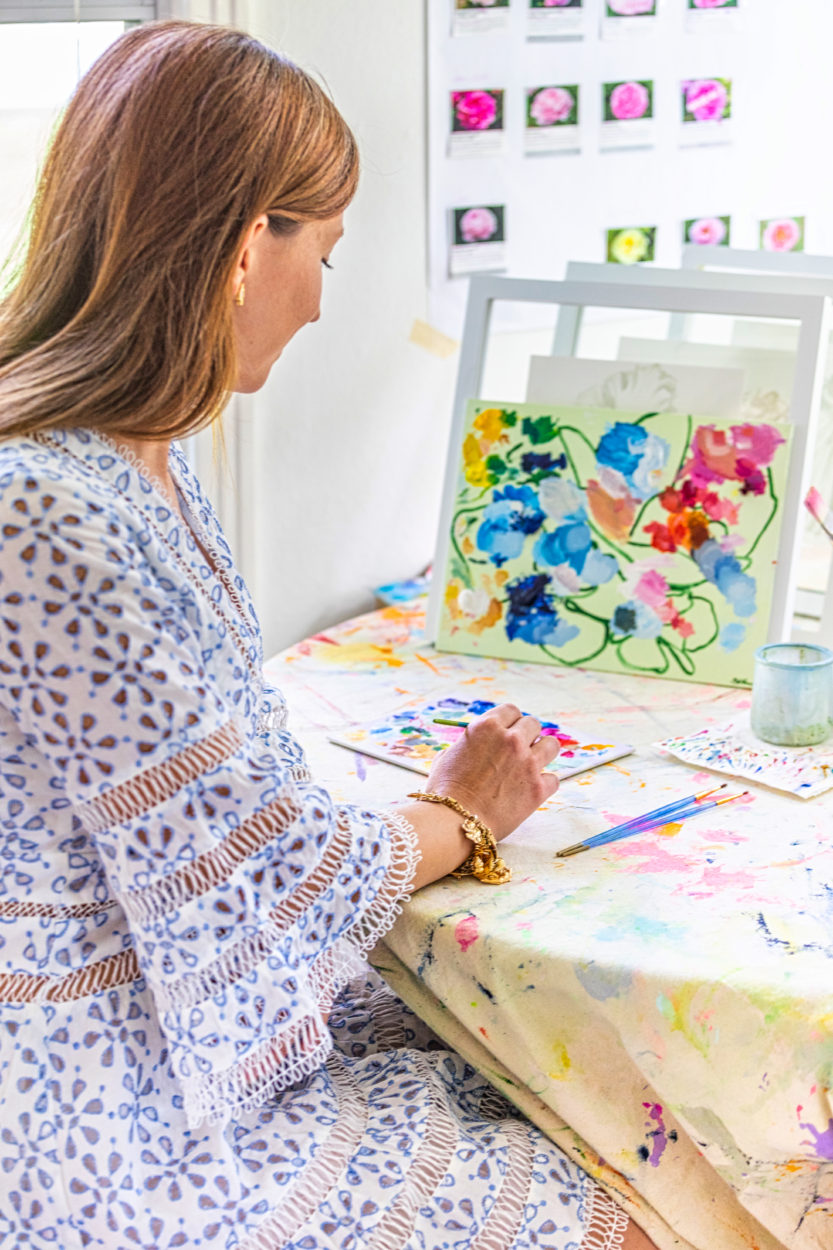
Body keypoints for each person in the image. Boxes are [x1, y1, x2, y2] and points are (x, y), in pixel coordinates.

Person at [0, 21, 657, 1250]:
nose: (314, 305)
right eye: (327, 258)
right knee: (629, 1206)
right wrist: (461, 812)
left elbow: (221, 815)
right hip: (113, 1127)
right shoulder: (44, 511)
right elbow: (266, 875)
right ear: (252, 245)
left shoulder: (146, 471)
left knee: (597, 1110)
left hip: (186, 1044)